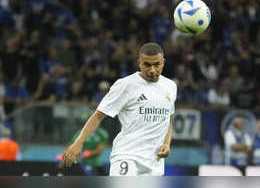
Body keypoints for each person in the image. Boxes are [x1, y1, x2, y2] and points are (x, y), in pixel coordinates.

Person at [62, 42, 177, 176]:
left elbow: (168, 120)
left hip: (155, 162)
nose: (152, 70)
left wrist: (167, 144)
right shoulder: (125, 85)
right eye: (147, 64)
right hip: (127, 156)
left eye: (156, 64)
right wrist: (78, 143)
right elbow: (98, 115)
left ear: (163, 62)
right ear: (139, 63)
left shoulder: (170, 86)